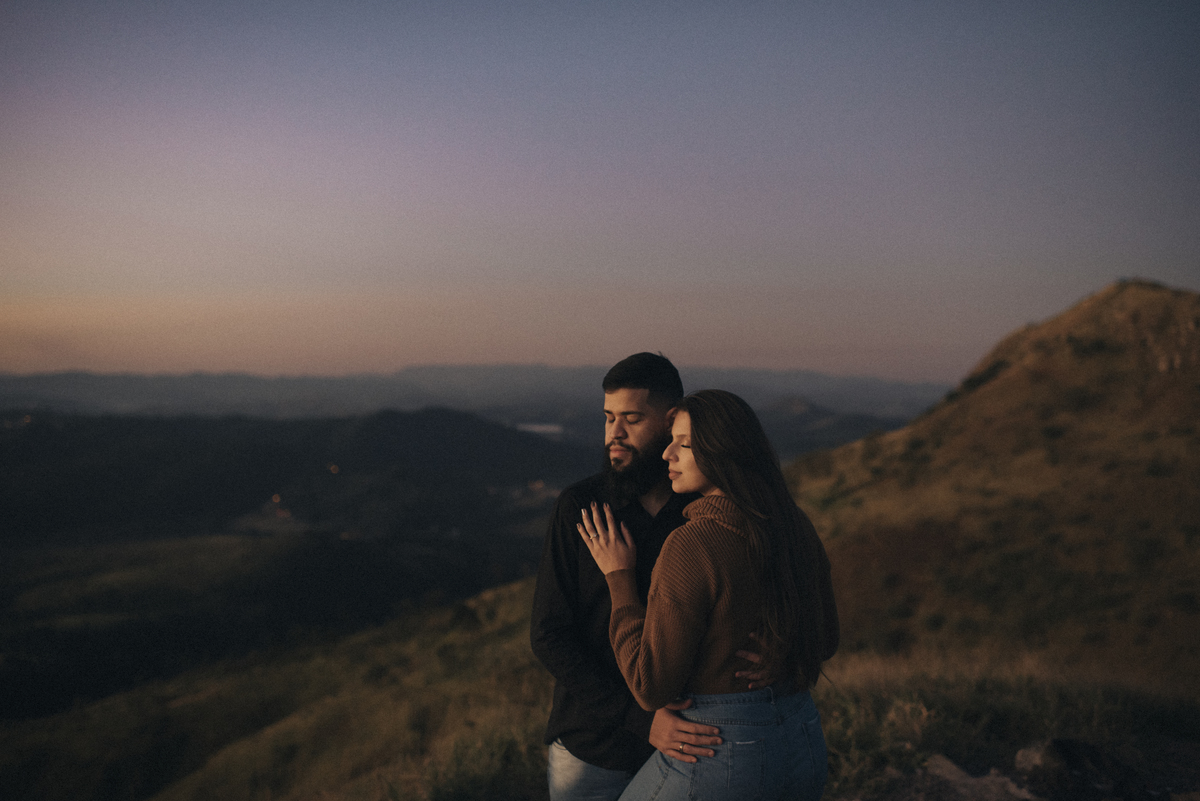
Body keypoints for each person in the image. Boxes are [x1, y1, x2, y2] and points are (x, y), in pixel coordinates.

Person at [579, 389, 839, 801]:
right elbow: (826, 639)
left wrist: (620, 578)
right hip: (801, 740)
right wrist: (787, 650)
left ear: (724, 453)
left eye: (684, 444)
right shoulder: (794, 525)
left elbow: (650, 686)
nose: (668, 455)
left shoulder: (694, 544)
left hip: (723, 749)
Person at [531, 355, 771, 801]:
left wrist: (782, 649)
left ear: (671, 421)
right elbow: (549, 635)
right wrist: (642, 720)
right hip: (593, 748)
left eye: (631, 419)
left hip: (694, 742)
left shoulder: (703, 511)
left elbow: (757, 604)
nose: (613, 434)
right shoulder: (580, 507)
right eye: (608, 418)